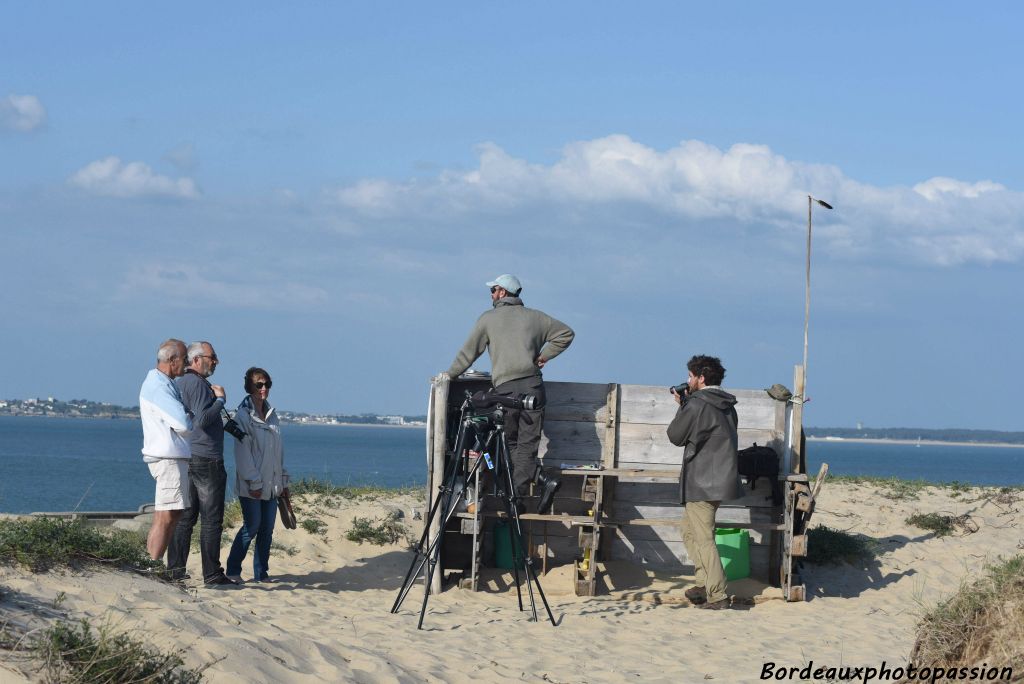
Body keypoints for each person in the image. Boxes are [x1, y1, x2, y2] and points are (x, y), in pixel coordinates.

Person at [447, 274, 574, 512]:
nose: (491, 295)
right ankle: (535, 484)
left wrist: (449, 374)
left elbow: (468, 353)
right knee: (526, 443)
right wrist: (544, 356)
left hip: (506, 391)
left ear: (503, 292)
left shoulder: (488, 319)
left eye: (493, 290)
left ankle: (517, 499)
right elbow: (566, 333)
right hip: (533, 388)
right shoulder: (537, 317)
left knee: (510, 443)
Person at [666, 354, 741, 611]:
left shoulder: (697, 404)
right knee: (688, 531)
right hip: (720, 480)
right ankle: (703, 583)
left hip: (701, 481)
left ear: (700, 378)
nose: (687, 380)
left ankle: (717, 595)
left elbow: (675, 436)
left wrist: (682, 406)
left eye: (690, 376)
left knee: (704, 538)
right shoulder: (727, 405)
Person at [166, 341, 236, 586]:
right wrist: (220, 400)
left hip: (189, 456)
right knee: (211, 519)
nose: (216, 361)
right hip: (206, 458)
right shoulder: (196, 384)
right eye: (212, 356)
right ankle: (213, 574)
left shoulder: (182, 382)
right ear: (196, 359)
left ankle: (175, 570)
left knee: (186, 518)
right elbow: (202, 420)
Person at [226, 367, 288, 583]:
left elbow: (277, 452)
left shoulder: (273, 415)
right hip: (251, 485)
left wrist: (283, 480)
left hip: (272, 485)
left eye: (267, 384)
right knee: (251, 527)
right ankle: (233, 570)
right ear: (249, 387)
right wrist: (254, 481)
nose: (263, 389)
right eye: (259, 385)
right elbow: (243, 454)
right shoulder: (243, 416)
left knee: (267, 530)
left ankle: (261, 573)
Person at [139, 339, 193, 562]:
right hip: (167, 458)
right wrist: (190, 416)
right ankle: (152, 564)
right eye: (184, 359)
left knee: (172, 513)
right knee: (165, 514)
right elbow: (183, 423)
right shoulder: (159, 386)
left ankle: (153, 563)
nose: (187, 364)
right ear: (172, 360)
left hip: (171, 457)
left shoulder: (163, 383)